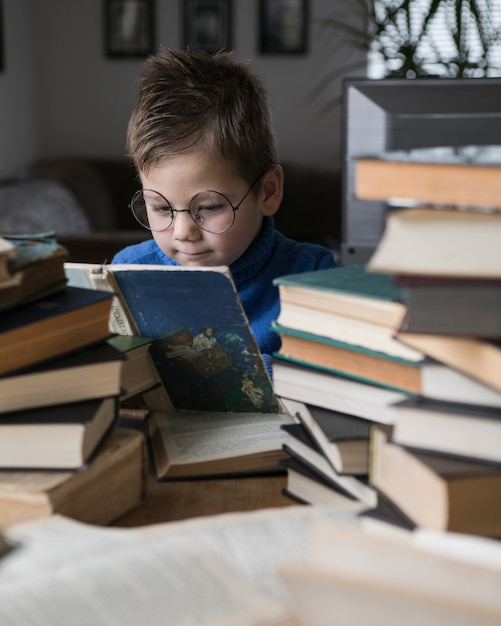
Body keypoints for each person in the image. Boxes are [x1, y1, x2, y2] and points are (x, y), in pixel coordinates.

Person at [112, 47, 339, 373]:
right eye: (161, 208)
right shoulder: (127, 273)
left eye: (208, 207)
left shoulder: (313, 278)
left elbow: (335, 381)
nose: (183, 233)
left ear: (268, 192)